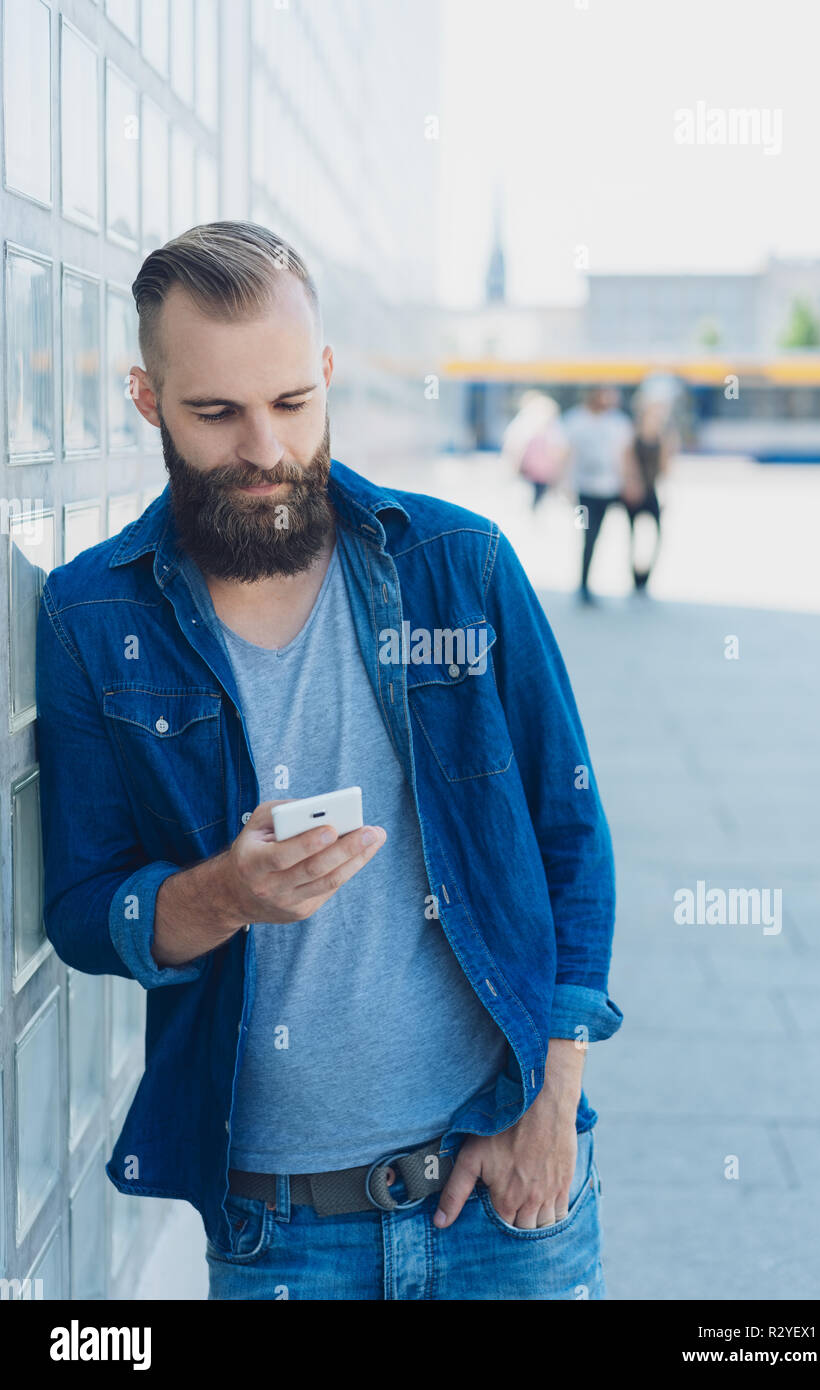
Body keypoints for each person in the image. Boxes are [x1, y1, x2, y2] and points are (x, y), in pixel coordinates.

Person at [35, 221, 622, 1302]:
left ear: (327, 376)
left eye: (293, 403)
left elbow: (570, 834)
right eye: (216, 412)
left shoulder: (462, 567)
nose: (265, 448)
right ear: (147, 398)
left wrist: (553, 1099)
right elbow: (81, 910)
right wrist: (221, 894)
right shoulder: (90, 614)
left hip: (504, 1196)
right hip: (280, 1235)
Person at [562, 386, 636, 603]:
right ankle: (583, 585)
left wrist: (630, 482)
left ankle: (636, 581)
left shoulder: (619, 423)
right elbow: (567, 454)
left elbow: (624, 456)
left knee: (627, 532)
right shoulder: (575, 420)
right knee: (587, 535)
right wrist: (565, 484)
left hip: (613, 489)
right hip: (583, 491)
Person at [623, 396, 677, 592]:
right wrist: (631, 484)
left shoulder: (662, 439)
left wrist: (666, 494)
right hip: (634, 491)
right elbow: (627, 463)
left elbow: (666, 469)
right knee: (633, 536)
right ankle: (634, 576)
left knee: (656, 536)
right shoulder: (633, 437)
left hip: (651, 492)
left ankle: (645, 577)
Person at [501, 390, 569, 510]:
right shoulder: (526, 425)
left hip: (541, 473)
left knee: (537, 501)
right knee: (529, 500)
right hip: (529, 472)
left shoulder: (552, 428)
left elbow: (560, 451)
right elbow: (514, 447)